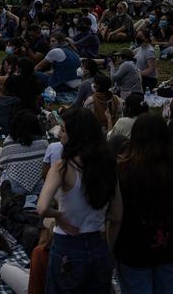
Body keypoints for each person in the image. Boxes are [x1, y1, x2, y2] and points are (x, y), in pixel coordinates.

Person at [37, 108, 122, 293]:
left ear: (77, 134)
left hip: (68, 247)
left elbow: (42, 208)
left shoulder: (63, 167)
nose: (60, 134)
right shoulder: (108, 167)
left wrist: (59, 215)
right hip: (98, 245)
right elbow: (116, 216)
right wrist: (109, 248)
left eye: (64, 130)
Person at [114, 115, 173, 293]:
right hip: (170, 246)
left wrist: (111, 246)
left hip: (133, 249)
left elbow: (116, 215)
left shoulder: (124, 170)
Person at [0, 111, 49, 194]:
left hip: (15, 189)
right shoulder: (43, 142)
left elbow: (2, 165)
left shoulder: (9, 142)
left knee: (4, 171)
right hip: (39, 188)